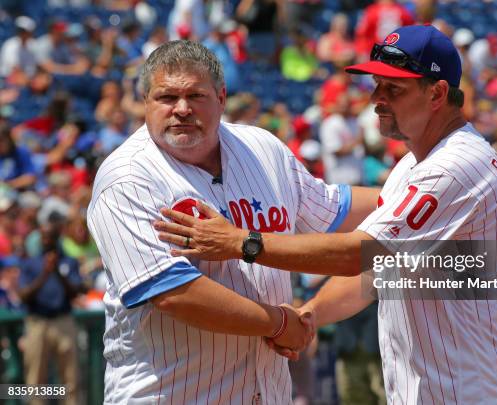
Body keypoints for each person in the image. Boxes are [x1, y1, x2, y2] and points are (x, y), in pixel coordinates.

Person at [154, 25, 497, 404]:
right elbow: (377, 275)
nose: (377, 99)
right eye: (377, 85)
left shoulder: (456, 165)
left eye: (394, 89)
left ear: (437, 92)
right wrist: (309, 314)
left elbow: (359, 253)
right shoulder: (413, 166)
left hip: (477, 391)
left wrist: (242, 242)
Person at [86, 40, 377, 403]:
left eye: (196, 95)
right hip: (172, 393)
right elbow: (176, 294)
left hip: (265, 391)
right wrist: (280, 323)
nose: (181, 109)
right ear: (145, 101)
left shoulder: (261, 148)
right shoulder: (128, 178)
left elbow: (333, 208)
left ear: (221, 97)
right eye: (165, 97)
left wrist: (411, 194)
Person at [18, 221, 85, 405]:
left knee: (71, 379)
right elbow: (23, 295)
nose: (46, 240)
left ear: (56, 238)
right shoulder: (31, 263)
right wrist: (45, 274)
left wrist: (56, 271)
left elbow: (76, 291)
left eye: (49, 236)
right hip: (37, 323)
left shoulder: (69, 261)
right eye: (43, 237)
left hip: (63, 320)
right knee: (35, 380)